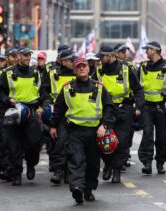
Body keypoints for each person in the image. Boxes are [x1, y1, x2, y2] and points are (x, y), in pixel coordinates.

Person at [49, 57, 115, 204]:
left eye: (83, 66)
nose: (81, 69)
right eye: (78, 67)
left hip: (95, 132)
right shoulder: (67, 88)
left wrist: (104, 126)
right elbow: (59, 109)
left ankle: (89, 189)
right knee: (76, 160)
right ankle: (77, 188)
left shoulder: (99, 87)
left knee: (93, 164)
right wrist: (53, 125)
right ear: (74, 70)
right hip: (75, 132)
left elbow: (109, 108)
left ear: (88, 68)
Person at [93, 46, 144, 183]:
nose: (101, 60)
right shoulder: (98, 71)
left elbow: (138, 89)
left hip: (124, 109)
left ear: (110, 56)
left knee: (121, 142)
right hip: (105, 111)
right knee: (104, 141)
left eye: (102, 57)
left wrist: (138, 107)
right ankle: (108, 164)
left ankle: (116, 169)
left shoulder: (126, 69)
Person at [0, 47, 43, 186]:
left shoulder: (35, 72)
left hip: (31, 112)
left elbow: (43, 91)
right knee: (14, 145)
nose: (28, 58)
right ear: (19, 56)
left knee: (34, 143)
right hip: (14, 112)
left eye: (29, 55)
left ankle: (31, 164)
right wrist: (7, 100)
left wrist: (43, 104)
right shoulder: (8, 73)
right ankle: (16, 174)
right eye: (25, 55)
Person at [138, 41, 166, 174]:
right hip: (146, 107)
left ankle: (160, 162)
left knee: (162, 136)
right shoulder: (142, 66)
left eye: (148, 49)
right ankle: (147, 162)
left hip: (162, 107)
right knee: (147, 134)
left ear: (154, 51)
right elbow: (137, 88)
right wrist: (138, 105)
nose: (146, 52)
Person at [41, 49, 76, 185]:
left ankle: (68, 171)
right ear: (63, 61)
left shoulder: (78, 72)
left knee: (72, 143)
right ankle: (58, 170)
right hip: (58, 111)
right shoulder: (52, 73)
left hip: (75, 112)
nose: (73, 63)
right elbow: (44, 89)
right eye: (71, 61)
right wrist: (47, 100)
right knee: (60, 142)